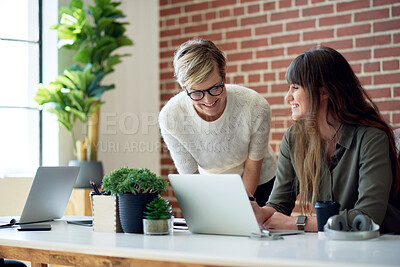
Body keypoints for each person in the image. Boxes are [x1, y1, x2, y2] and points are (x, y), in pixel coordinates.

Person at [252, 46, 400, 234]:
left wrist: (300, 223)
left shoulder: (371, 138)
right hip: (331, 246)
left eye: (295, 87)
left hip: (383, 244)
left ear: (324, 92)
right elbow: (279, 204)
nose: (287, 97)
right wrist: (259, 213)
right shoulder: (294, 138)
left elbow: (368, 217)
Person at [159, 39, 276, 206]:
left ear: (224, 76)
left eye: (215, 88)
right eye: (197, 93)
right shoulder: (170, 117)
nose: (208, 100)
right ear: (184, 87)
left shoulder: (255, 106)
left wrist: (242, 207)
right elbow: (192, 180)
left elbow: (252, 168)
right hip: (214, 183)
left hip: (261, 184)